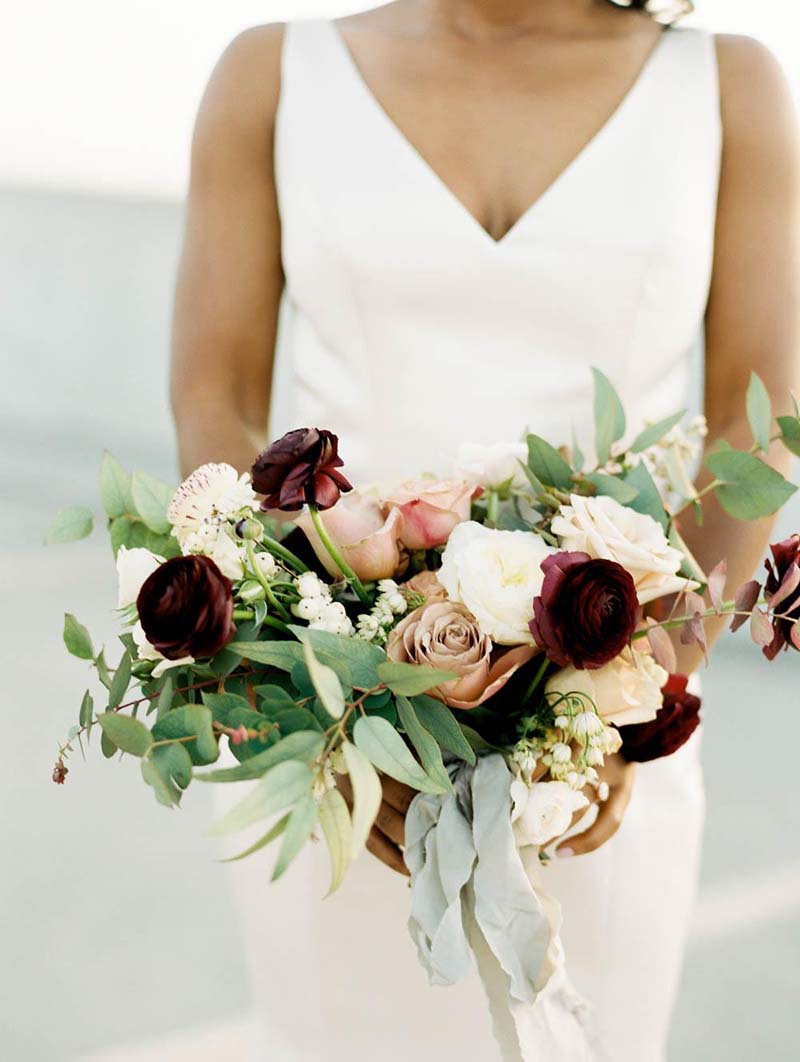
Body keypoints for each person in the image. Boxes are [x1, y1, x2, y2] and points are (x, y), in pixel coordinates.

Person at [170, 2, 799, 1059]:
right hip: (335, 747)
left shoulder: (727, 88)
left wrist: (627, 698)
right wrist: (315, 685)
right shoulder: (272, 74)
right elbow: (217, 407)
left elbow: (756, 418)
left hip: (602, 758)